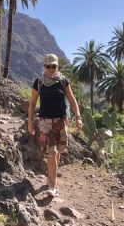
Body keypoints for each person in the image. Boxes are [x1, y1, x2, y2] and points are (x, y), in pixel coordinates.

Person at [27, 54, 83, 196]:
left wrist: (78, 117)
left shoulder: (63, 81)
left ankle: (52, 177)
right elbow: (32, 103)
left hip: (62, 121)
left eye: (54, 66)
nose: (51, 69)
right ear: (44, 66)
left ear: (57, 66)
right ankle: (53, 185)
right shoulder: (39, 82)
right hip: (45, 122)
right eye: (48, 66)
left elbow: (71, 99)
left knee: (59, 150)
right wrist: (30, 121)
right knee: (51, 153)